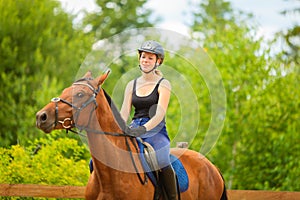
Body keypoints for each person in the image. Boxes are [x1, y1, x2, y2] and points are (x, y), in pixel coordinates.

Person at [120, 40, 178, 199]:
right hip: (133, 127)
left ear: (158, 61)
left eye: (150, 58)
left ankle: (171, 198)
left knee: (162, 159)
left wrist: (144, 128)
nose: (145, 60)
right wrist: (117, 127)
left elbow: (159, 114)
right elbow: (125, 111)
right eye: (143, 57)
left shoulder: (163, 83)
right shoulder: (131, 85)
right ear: (139, 59)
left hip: (156, 131)